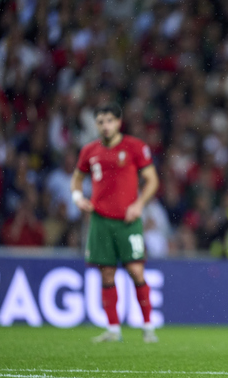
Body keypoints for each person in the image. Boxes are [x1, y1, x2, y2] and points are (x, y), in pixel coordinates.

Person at [70, 103, 160, 343]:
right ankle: (113, 329)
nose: (105, 126)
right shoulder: (89, 151)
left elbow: (152, 180)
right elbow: (76, 180)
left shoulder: (135, 147)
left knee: (135, 270)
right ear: (96, 125)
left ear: (119, 122)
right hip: (100, 220)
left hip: (128, 220)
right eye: (100, 122)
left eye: (109, 121)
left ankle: (148, 326)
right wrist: (78, 198)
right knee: (107, 275)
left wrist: (139, 204)